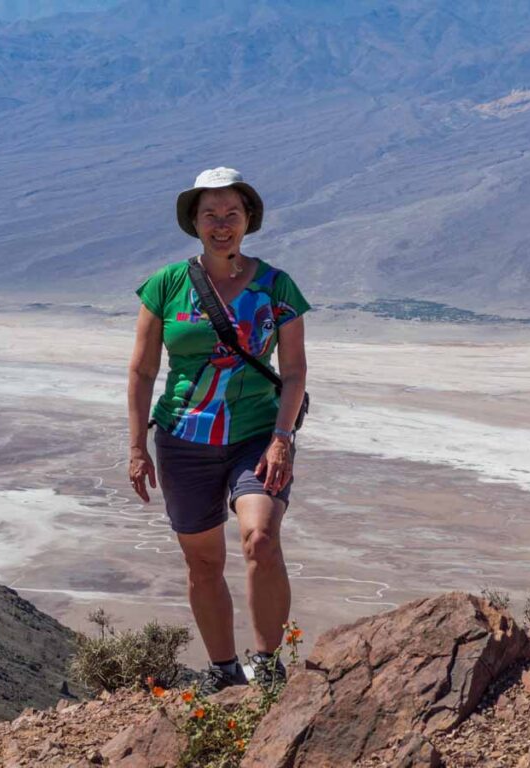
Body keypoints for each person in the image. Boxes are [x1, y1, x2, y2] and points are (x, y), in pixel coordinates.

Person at [126, 167, 309, 694]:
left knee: (261, 536)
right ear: (194, 222)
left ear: (249, 219)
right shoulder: (166, 286)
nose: (222, 224)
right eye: (211, 214)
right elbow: (141, 372)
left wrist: (282, 437)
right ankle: (224, 669)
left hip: (256, 435)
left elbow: (294, 371)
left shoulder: (279, 287)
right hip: (183, 440)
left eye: (232, 214)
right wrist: (137, 448)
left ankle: (269, 665)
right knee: (203, 561)